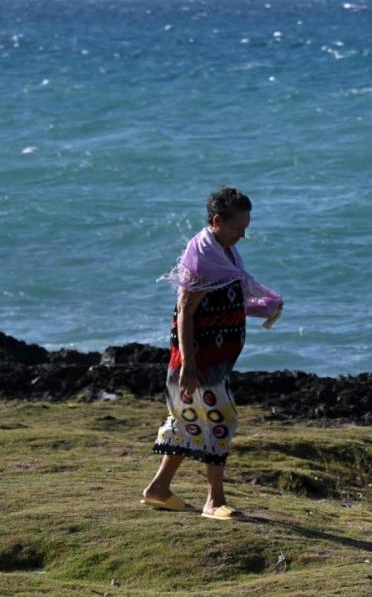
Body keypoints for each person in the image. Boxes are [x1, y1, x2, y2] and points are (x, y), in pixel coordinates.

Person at [141, 187, 283, 519]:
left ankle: (158, 489)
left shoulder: (226, 254)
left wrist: (266, 307)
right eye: (238, 227)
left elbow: (227, 299)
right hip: (197, 363)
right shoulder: (202, 258)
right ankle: (214, 501)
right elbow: (185, 314)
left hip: (212, 363)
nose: (243, 234)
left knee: (187, 422)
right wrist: (189, 367)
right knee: (222, 422)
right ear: (218, 221)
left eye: (247, 226)